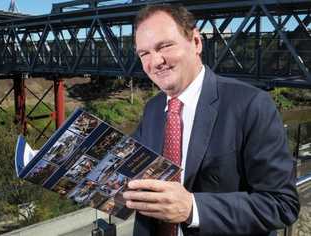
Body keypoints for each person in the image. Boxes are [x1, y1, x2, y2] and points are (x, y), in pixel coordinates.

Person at [122, 4, 300, 236]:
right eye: (144, 53)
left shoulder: (251, 104)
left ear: (196, 42)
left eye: (164, 46)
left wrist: (193, 209)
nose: (155, 62)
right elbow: (129, 168)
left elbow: (282, 205)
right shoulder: (153, 109)